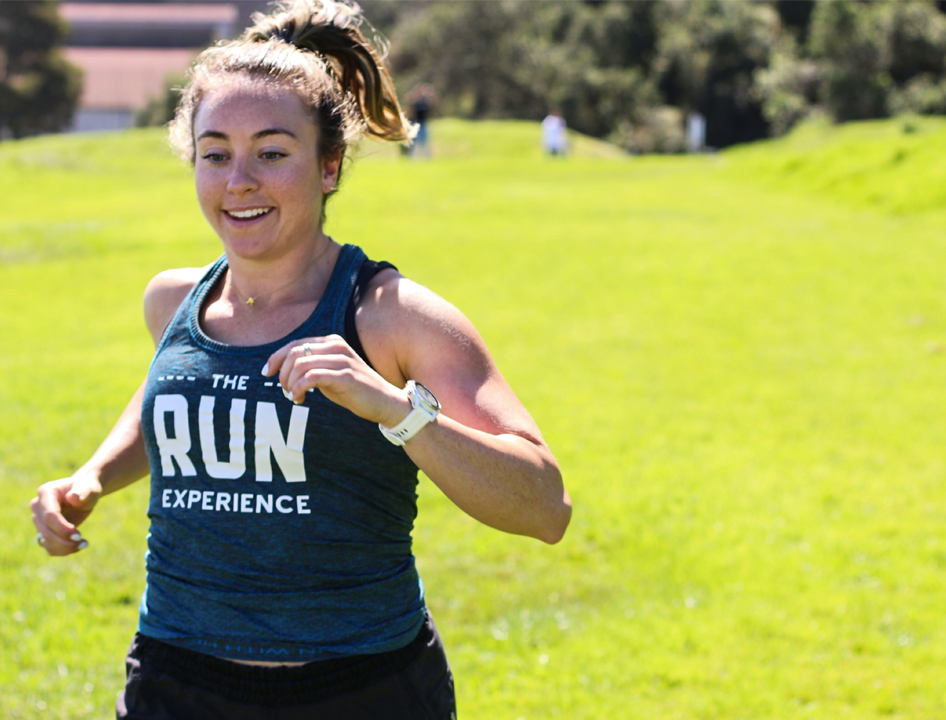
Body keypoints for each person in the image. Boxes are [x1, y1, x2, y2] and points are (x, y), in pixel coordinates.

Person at [29, 2, 571, 717]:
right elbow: (174, 398)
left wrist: (392, 408)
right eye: (216, 153)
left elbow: (544, 506)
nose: (238, 182)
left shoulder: (390, 316)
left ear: (329, 165)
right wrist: (93, 474)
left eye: (272, 153)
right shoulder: (174, 303)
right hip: (176, 678)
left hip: (360, 687)